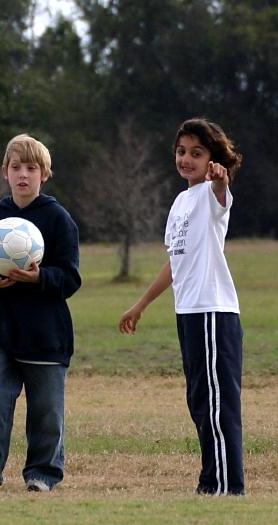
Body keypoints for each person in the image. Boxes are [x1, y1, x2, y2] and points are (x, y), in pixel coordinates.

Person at [119, 118, 244, 496]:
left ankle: (226, 486)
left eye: (197, 153)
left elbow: (222, 192)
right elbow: (176, 262)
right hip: (188, 313)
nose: (187, 158)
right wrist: (140, 304)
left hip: (213, 313)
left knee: (218, 404)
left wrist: (220, 180)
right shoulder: (180, 202)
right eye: (181, 151)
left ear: (213, 160)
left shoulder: (211, 194)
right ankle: (211, 482)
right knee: (200, 402)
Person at [0, 134, 81, 492]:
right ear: (4, 172)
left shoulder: (58, 219)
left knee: (46, 412)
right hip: (3, 332)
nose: (23, 175)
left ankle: (43, 473)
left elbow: (70, 278)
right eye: (16, 167)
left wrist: (41, 277)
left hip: (47, 335)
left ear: (45, 174)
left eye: (31, 168)